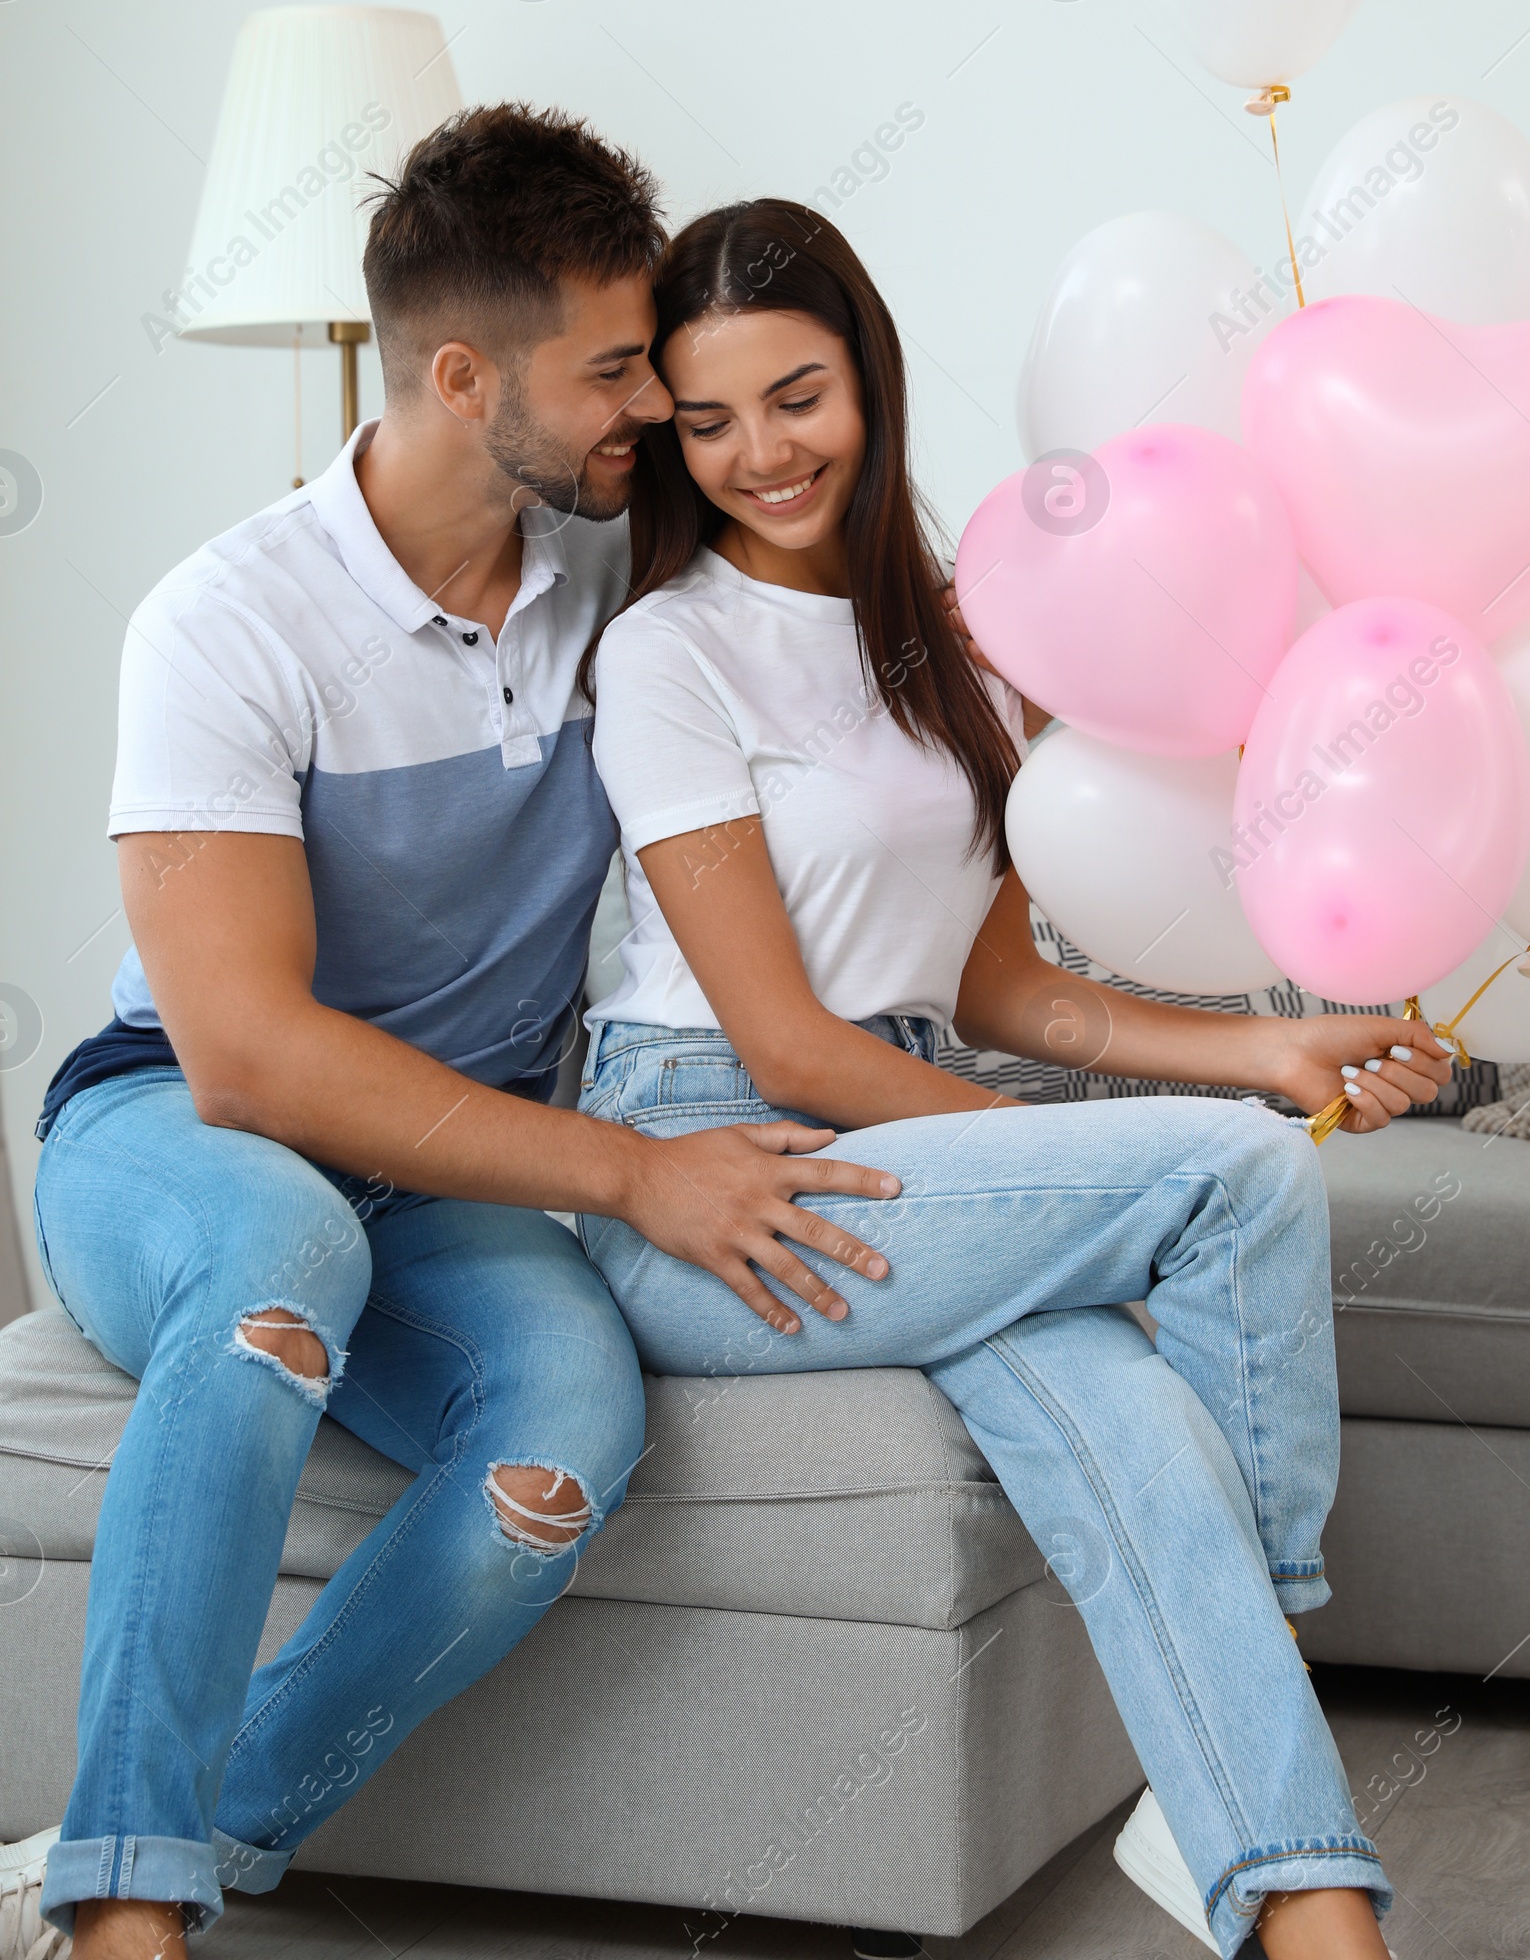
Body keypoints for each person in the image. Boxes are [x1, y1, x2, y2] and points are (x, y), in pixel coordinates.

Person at [5, 114, 901, 1960]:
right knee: (278, 1247)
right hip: (175, 1132)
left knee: (567, 1422)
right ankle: (121, 1923)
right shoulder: (227, 625)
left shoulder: (616, 585)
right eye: (614, 369)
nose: (651, 407)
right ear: (464, 373)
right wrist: (632, 1173)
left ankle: (182, 1824)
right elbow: (245, 1056)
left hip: (448, 1166)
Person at [576, 198, 1451, 1960]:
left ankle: (1307, 1913)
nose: (761, 452)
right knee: (1235, 1175)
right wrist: (1113, 1173)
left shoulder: (965, 639)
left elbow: (993, 990)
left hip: (898, 1137)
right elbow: (782, 1046)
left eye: (799, 395)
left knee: (1130, 1412)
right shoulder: (665, 653)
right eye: (710, 418)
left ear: (871, 382)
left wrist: (1261, 1046)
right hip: (713, 1164)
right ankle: (1271, 1650)